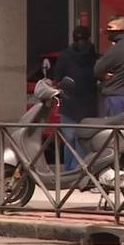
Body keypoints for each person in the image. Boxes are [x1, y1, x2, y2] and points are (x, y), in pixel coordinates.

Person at [53, 25, 98, 171]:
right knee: (83, 141)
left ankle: (69, 172)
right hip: (88, 105)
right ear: (89, 38)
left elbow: (57, 79)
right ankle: (82, 170)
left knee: (69, 141)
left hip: (69, 104)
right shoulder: (94, 57)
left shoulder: (65, 56)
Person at [94, 15, 124, 117]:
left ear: (120, 29)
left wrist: (103, 75)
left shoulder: (117, 49)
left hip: (115, 97)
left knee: (113, 130)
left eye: (111, 28)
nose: (108, 31)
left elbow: (97, 69)